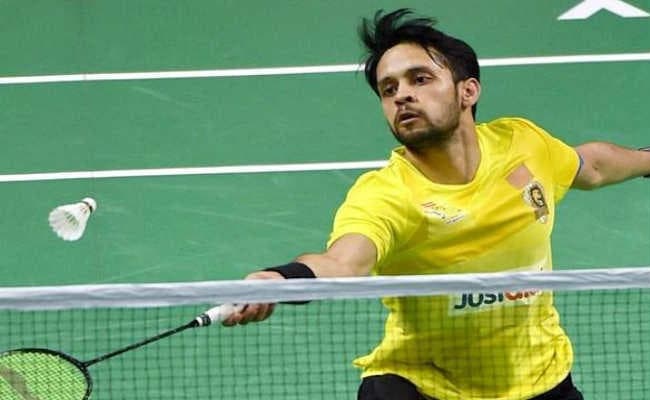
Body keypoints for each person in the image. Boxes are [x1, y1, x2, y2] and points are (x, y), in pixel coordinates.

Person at [222, 8, 650, 400]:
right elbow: (343, 263)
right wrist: (279, 278)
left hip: (540, 378)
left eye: (420, 79)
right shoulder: (387, 194)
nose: (401, 96)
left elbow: (590, 166)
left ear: (468, 91)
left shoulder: (522, 144)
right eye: (388, 89)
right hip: (422, 383)